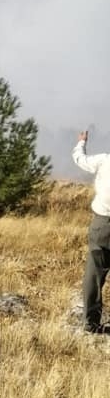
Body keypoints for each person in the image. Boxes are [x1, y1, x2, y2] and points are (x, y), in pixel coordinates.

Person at [72, 130, 110, 333]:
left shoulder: (104, 161)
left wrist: (81, 142)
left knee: (94, 274)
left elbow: (80, 159)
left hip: (102, 224)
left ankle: (91, 323)